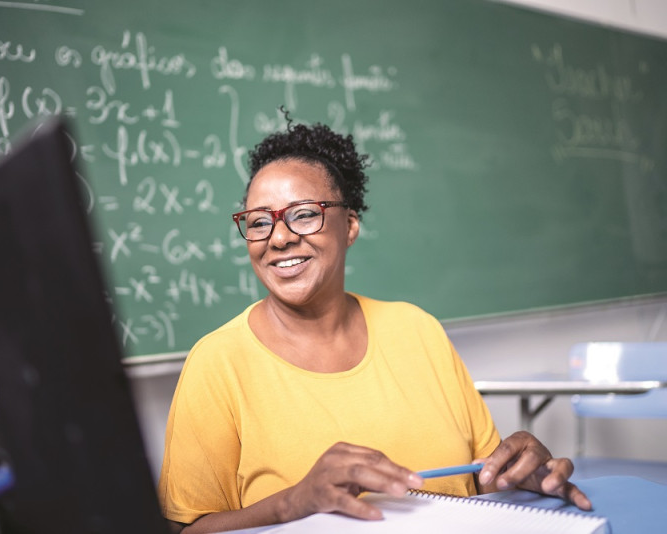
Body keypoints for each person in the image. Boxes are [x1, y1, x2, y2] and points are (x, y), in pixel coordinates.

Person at [158, 116, 591, 533]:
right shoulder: (218, 362)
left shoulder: (417, 330)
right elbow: (186, 529)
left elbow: (481, 478)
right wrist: (292, 503)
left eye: (304, 214)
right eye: (258, 222)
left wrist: (520, 477)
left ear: (349, 226)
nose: (279, 237)